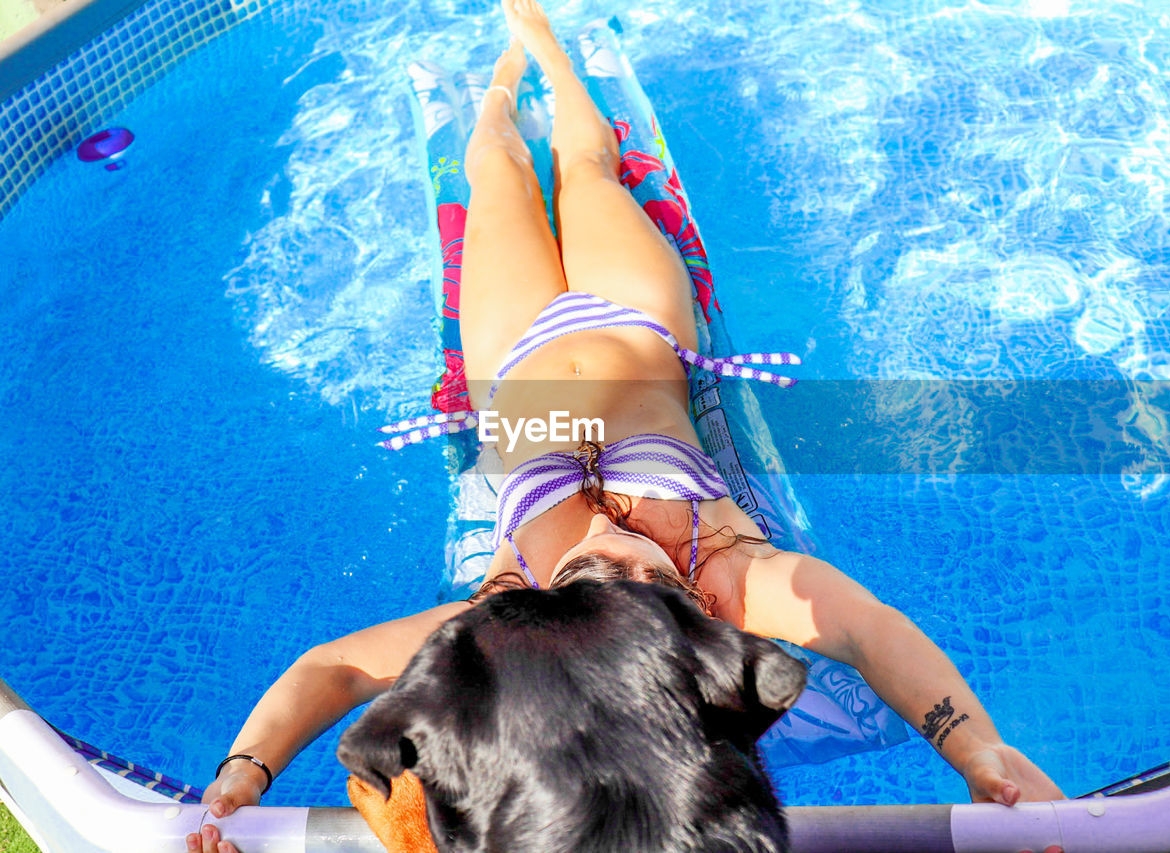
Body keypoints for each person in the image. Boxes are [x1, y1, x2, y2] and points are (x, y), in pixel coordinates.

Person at [187, 1, 1062, 849]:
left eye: (579, 569)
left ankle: (527, 68)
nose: (601, 534)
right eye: (621, 563)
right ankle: (531, 65)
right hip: (633, 315)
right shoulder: (729, 576)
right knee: (587, 175)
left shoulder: (509, 615)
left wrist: (244, 772)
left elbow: (330, 667)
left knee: (497, 174)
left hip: (513, 349)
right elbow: (871, 631)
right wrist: (974, 749)